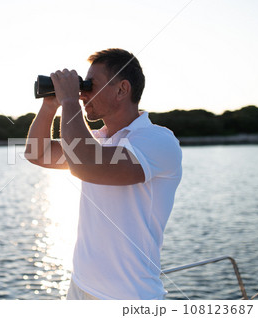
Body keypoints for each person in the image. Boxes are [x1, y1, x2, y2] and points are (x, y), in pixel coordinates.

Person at [24, 48, 182, 300]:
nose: (83, 93)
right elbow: (37, 153)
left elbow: (86, 165)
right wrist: (50, 104)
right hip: (80, 286)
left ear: (122, 89)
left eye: (90, 85)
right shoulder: (99, 140)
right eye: (82, 86)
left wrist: (69, 102)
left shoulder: (157, 141)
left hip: (127, 296)